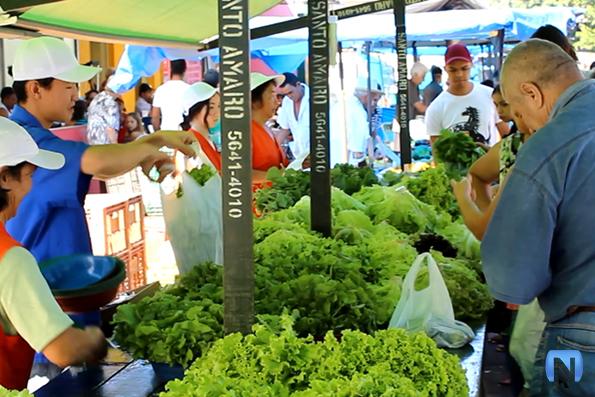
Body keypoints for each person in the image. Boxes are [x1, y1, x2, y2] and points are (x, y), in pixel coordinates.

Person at [6, 36, 196, 263]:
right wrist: (152, 144)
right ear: (35, 89)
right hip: (46, 282)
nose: (76, 95)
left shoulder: (29, 133)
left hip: (58, 276)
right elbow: (96, 162)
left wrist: (149, 145)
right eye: (68, 86)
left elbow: (96, 169)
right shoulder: (24, 142)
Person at [481, 39, 595, 396]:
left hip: (580, 338)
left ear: (532, 93)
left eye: (517, 113)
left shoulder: (548, 145)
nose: (524, 126)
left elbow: (513, 281)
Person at [0, 118, 107, 390]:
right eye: (30, 176)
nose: (31, 188)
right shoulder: (11, 259)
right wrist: (94, 338)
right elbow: (64, 350)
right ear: (4, 177)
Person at [425, 43, 499, 146]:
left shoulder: (490, 95)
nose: (459, 74)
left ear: (471, 65)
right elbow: (437, 151)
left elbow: (506, 133)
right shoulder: (436, 108)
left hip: (490, 160)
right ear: (445, 69)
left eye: (464, 68)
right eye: (453, 69)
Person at [250, 73, 288, 184]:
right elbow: (243, 173)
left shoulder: (266, 128)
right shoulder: (245, 132)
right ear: (254, 101)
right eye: (272, 96)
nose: (277, 102)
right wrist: (280, 175)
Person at [180, 82, 221, 172]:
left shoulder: (210, 139)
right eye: (211, 107)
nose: (217, 113)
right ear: (195, 110)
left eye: (219, 106)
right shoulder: (190, 143)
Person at [344, 78, 383, 166]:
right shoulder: (359, 112)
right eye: (375, 99)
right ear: (366, 96)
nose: (373, 104)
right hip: (350, 162)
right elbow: (358, 151)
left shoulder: (347, 104)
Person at [275, 72, 310, 160]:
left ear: (298, 84)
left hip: (318, 154)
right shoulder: (287, 101)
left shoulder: (315, 99)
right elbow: (284, 129)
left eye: (290, 92)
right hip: (299, 156)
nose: (289, 96)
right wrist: (273, 148)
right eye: (285, 94)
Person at [151, 59, 189, 131]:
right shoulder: (190, 89)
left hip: (166, 134)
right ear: (185, 69)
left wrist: (158, 133)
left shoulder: (161, 89)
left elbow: (155, 117)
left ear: (170, 68)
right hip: (185, 135)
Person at [86, 79, 121, 144]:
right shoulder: (110, 103)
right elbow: (111, 130)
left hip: (93, 141)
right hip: (105, 143)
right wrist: (115, 144)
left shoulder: (96, 99)